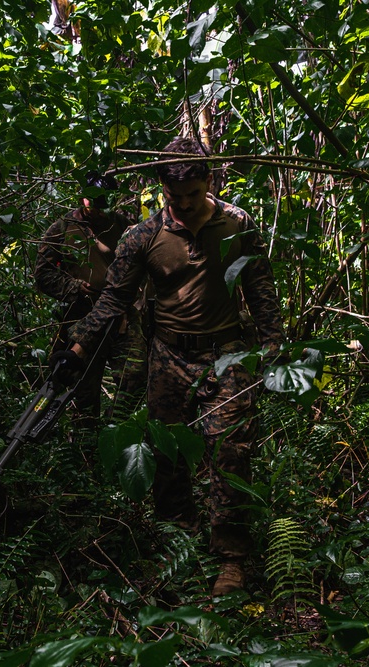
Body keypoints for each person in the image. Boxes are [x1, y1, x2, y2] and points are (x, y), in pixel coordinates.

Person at [56, 137, 286, 596]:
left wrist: (273, 347)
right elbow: (114, 298)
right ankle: (176, 542)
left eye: (191, 195)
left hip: (226, 353)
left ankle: (231, 559)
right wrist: (77, 349)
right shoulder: (142, 237)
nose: (182, 205)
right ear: (161, 189)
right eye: (173, 197)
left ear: (209, 182)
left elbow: (259, 286)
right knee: (168, 454)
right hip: (167, 357)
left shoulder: (237, 223)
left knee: (231, 452)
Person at [34, 171, 146, 431]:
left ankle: (117, 429)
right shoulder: (62, 228)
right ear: (82, 196)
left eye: (102, 202)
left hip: (122, 317)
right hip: (83, 318)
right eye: (92, 201)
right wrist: (72, 287)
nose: (96, 208)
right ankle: (86, 452)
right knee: (84, 391)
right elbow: (43, 274)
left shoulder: (121, 225)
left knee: (135, 375)